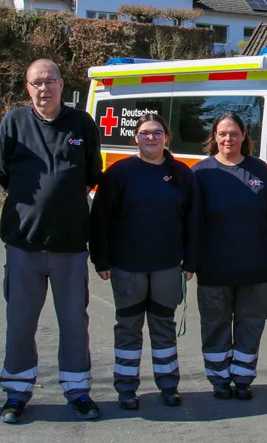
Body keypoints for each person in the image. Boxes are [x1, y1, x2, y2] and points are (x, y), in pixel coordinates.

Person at [0, 59, 103, 423]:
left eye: (50, 81)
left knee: (74, 323)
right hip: (24, 244)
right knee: (21, 323)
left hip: (70, 245)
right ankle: (17, 392)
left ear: (60, 83)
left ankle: (77, 390)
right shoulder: (14, 122)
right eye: (36, 83)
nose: (44, 88)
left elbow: (91, 173)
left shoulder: (82, 124)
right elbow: (2, 172)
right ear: (28, 88)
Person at [90, 114, 201, 410]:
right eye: (144, 133)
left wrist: (190, 261)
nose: (150, 138)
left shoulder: (181, 173)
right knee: (128, 327)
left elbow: (194, 221)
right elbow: (100, 219)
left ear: (167, 137)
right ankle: (126, 388)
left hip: (167, 266)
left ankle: (168, 385)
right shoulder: (119, 173)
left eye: (156, 133)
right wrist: (101, 258)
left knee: (163, 326)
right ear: (135, 138)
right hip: (127, 267)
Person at [191, 113, 267, 401]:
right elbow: (191, 221)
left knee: (251, 323)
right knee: (215, 325)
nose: (227, 139)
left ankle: (243, 378)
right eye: (222, 133)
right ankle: (218, 378)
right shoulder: (200, 173)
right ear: (214, 137)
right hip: (214, 268)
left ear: (244, 136)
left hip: (254, 268)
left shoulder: (261, 171)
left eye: (233, 133)